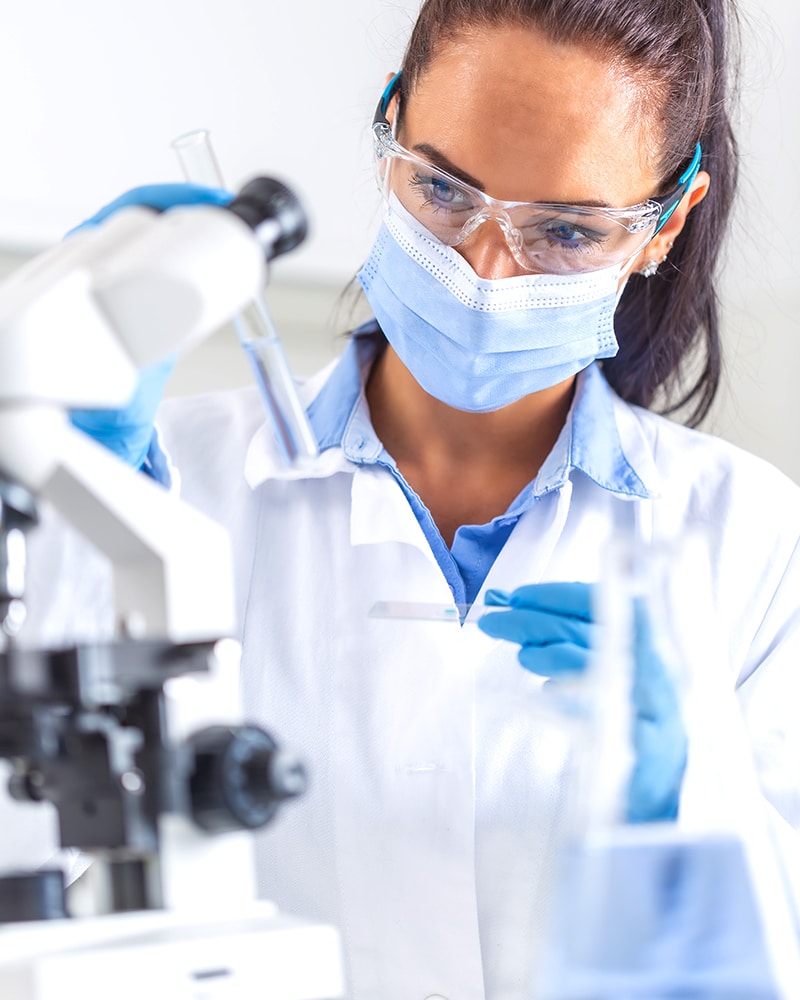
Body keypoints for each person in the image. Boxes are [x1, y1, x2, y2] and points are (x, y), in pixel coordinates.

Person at [13, 0, 800, 995]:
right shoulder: (163, 486)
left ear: (660, 227)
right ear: (388, 135)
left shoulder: (748, 540)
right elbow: (38, 855)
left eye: (563, 229)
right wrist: (71, 523)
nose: (481, 271)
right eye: (442, 188)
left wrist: (686, 792)